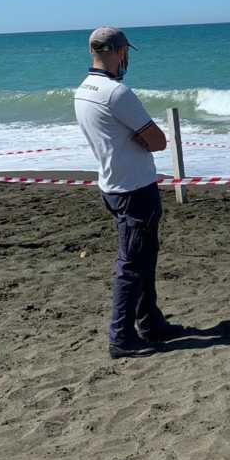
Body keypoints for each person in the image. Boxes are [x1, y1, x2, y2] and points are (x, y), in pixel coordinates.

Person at [74, 27, 182, 358]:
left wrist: (138, 138)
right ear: (118, 52)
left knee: (144, 257)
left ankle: (150, 322)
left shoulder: (83, 90)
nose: (127, 59)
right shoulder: (116, 93)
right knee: (132, 263)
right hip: (133, 188)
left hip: (112, 183)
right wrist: (143, 139)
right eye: (126, 53)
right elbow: (159, 141)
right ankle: (121, 336)